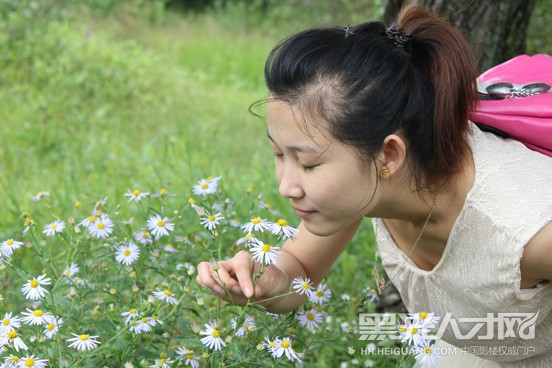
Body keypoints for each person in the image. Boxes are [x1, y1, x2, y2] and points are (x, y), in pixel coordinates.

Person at [197, 6, 552, 367]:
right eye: (278, 154)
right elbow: (300, 266)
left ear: (388, 156)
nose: (287, 186)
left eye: (308, 164)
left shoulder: (526, 232)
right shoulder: (371, 184)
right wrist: (270, 280)